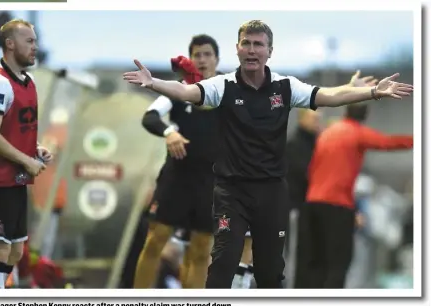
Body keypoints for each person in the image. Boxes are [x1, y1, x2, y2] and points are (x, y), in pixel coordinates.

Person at [123, 19, 414, 288]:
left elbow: (329, 96)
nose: (252, 50)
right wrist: (154, 83)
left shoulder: (286, 87)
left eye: (258, 44)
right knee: (223, 262)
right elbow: (186, 92)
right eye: (246, 43)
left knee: (269, 271)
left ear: (269, 51)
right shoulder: (222, 85)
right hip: (231, 192)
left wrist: (373, 92)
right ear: (237, 49)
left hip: (272, 193)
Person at [133, 34, 221, 288]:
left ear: (217, 59)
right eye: (197, 55)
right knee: (156, 239)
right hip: (178, 176)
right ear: (190, 59)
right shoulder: (179, 89)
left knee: (202, 248)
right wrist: (169, 132)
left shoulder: (229, 91)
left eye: (207, 54)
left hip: (211, 181)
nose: (202, 60)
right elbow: (150, 117)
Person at [294, 102, 413, 288]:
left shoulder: (326, 134)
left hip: (312, 204)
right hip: (337, 205)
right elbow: (388, 143)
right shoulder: (356, 132)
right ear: (365, 115)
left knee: (315, 262)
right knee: (338, 263)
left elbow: (312, 170)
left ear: (345, 110)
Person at [0, 19, 51, 289]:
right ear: (10, 44)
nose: (35, 47)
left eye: (35, 41)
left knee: (16, 252)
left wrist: (35, 148)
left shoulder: (28, 82)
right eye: (29, 41)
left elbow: (14, 129)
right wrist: (27, 160)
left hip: (16, 181)